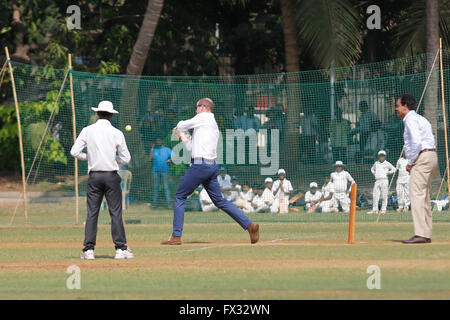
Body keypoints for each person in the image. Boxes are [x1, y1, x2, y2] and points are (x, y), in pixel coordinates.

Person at [162, 98, 259, 245]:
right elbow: (191, 148)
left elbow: (182, 124)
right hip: (211, 166)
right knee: (219, 201)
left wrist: (178, 129)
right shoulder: (211, 124)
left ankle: (176, 236)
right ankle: (250, 225)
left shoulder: (203, 117)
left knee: (180, 197)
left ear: (202, 107)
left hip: (199, 166)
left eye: (196, 107)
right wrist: (182, 137)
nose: (196, 110)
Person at [70, 100, 134, 260]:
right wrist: (112, 159)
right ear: (111, 115)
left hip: (94, 176)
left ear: (97, 113)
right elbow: (126, 158)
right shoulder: (117, 133)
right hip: (111, 176)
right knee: (116, 213)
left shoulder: (87, 130)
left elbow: (74, 152)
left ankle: (88, 250)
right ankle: (120, 249)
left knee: (92, 213)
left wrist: (90, 158)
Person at [395, 94, 438, 244]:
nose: (396, 109)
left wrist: (411, 162)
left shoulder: (410, 120)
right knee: (424, 196)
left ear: (405, 106)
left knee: (416, 195)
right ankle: (425, 233)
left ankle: (420, 233)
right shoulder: (421, 119)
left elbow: (416, 142)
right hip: (431, 156)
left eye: (398, 105)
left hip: (422, 158)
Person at [367, 150, 396, 214]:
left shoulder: (387, 163)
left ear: (385, 157)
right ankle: (375, 209)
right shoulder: (376, 163)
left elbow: (394, 169)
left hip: (384, 180)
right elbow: (372, 169)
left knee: (384, 195)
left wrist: (389, 172)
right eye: (380, 156)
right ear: (378, 157)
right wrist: (375, 173)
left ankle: (383, 209)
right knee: (375, 195)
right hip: (377, 180)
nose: (381, 157)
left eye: (382, 156)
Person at [149, 137, 172, 208]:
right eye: (157, 140)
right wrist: (152, 148)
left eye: (159, 140)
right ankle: (154, 204)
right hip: (155, 171)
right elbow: (149, 159)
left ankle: (168, 204)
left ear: (162, 141)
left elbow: (175, 157)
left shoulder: (167, 149)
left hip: (165, 171)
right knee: (155, 187)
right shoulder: (154, 150)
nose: (158, 142)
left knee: (166, 187)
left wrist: (169, 160)